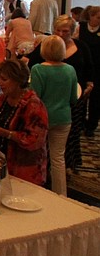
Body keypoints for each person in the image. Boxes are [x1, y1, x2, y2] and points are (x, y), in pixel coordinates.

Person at [28, 15, 95, 166]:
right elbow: (32, 65)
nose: (60, 34)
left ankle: (67, 164)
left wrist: (90, 84)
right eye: (58, 30)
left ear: (72, 31)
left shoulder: (81, 46)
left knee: (71, 134)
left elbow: (90, 67)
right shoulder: (47, 45)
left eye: (65, 31)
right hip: (50, 96)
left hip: (76, 96)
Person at [30, 36, 78, 195]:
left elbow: (35, 97)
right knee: (58, 159)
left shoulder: (38, 69)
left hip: (43, 118)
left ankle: (38, 191)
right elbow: (73, 98)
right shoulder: (70, 69)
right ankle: (61, 194)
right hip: (64, 117)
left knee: (38, 156)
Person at [77, 6, 100, 137]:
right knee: (82, 96)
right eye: (98, 17)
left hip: (98, 68)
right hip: (84, 67)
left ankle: (92, 125)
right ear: (90, 17)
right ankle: (80, 123)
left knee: (96, 99)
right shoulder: (81, 28)